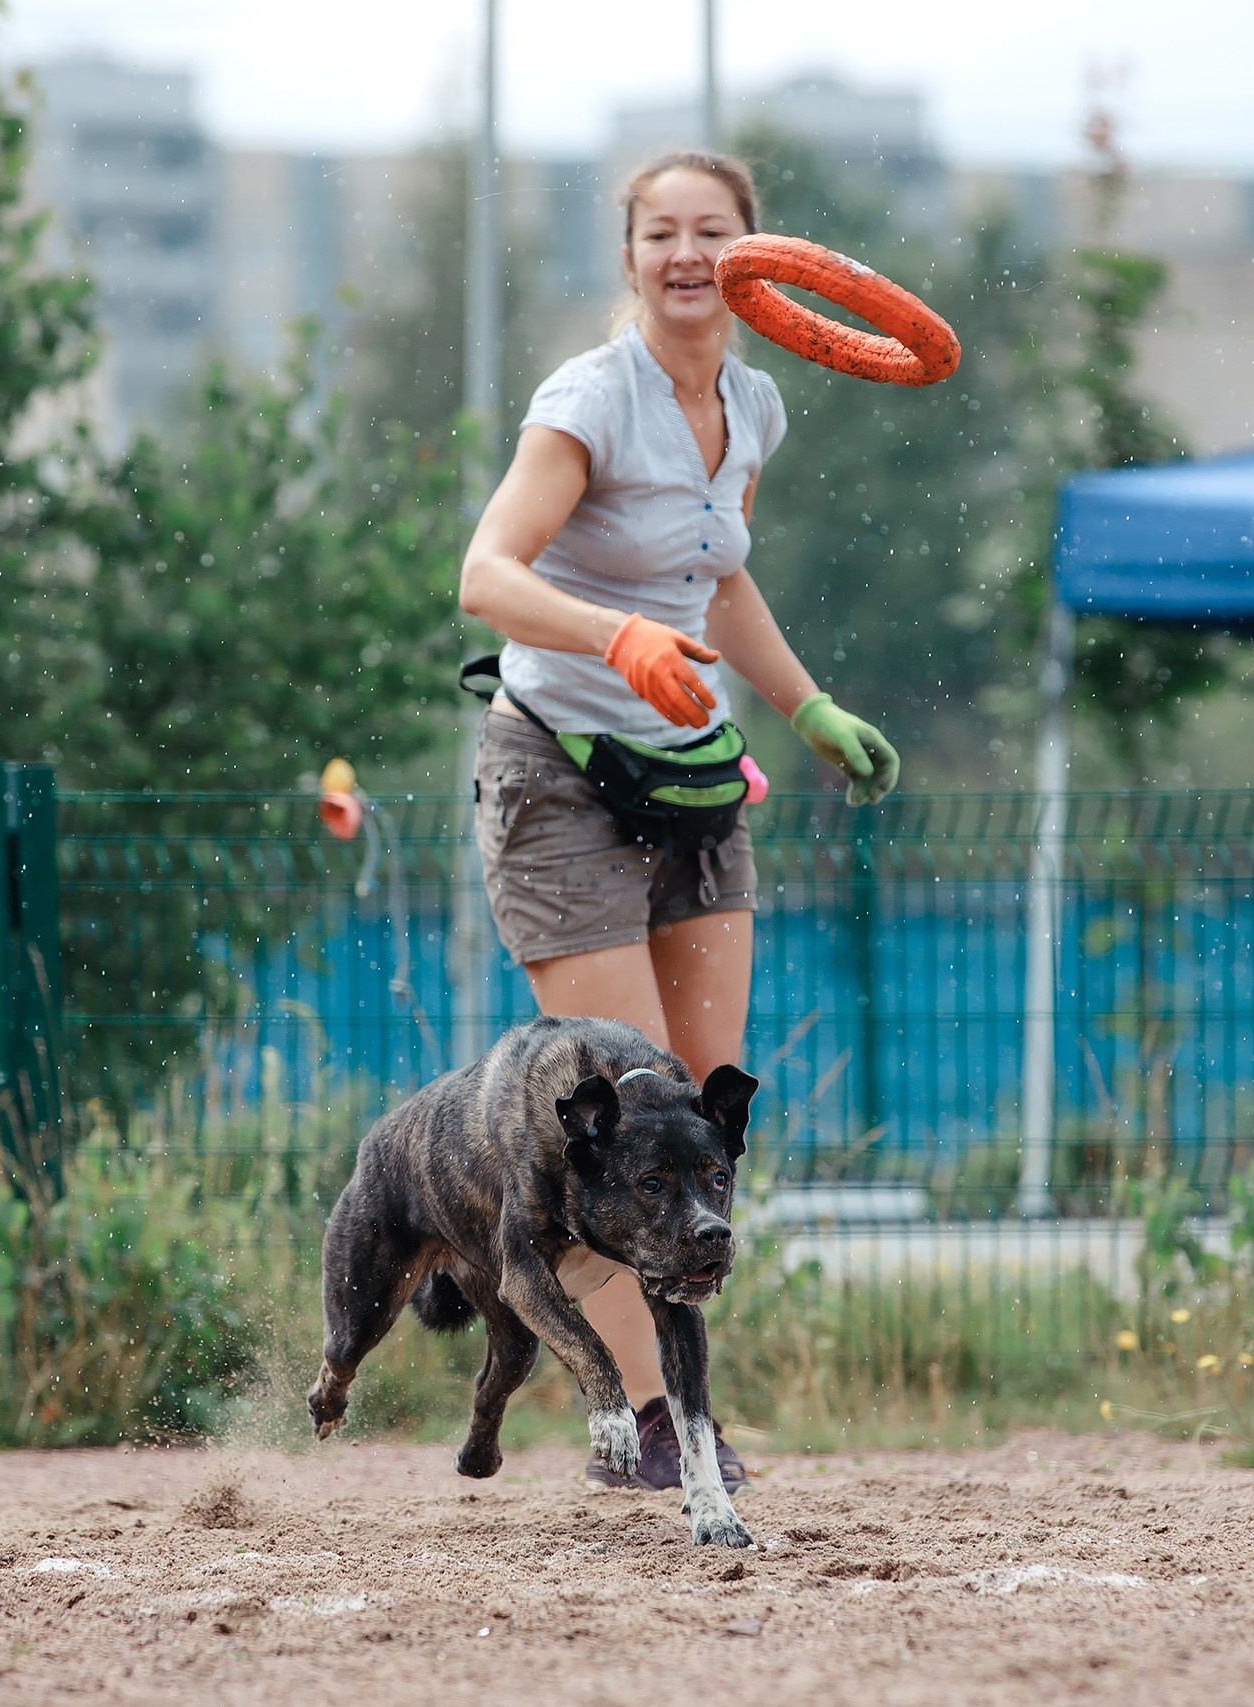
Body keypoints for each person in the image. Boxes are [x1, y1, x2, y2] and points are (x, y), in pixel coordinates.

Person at [458, 149, 898, 1491]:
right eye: (662, 234)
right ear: (634, 254)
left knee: (702, 1126)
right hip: (559, 776)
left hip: (692, 779)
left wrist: (809, 705)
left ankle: (657, 1396)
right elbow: (486, 575)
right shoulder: (590, 399)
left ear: (758, 256)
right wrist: (617, 637)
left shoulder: (754, 405)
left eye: (713, 232)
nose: (688, 254)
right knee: (622, 1125)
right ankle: (650, 1423)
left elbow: (720, 583)